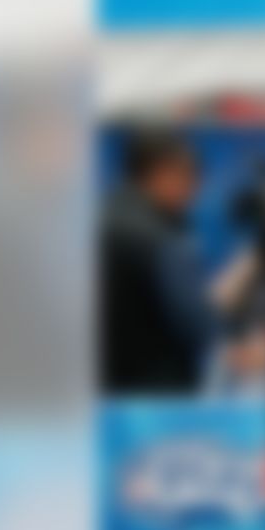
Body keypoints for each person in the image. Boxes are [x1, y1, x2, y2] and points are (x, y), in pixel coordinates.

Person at [100, 129, 210, 394]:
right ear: (163, 172)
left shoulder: (101, 216)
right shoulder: (158, 239)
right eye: (191, 178)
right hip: (154, 403)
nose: (195, 191)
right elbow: (198, 325)